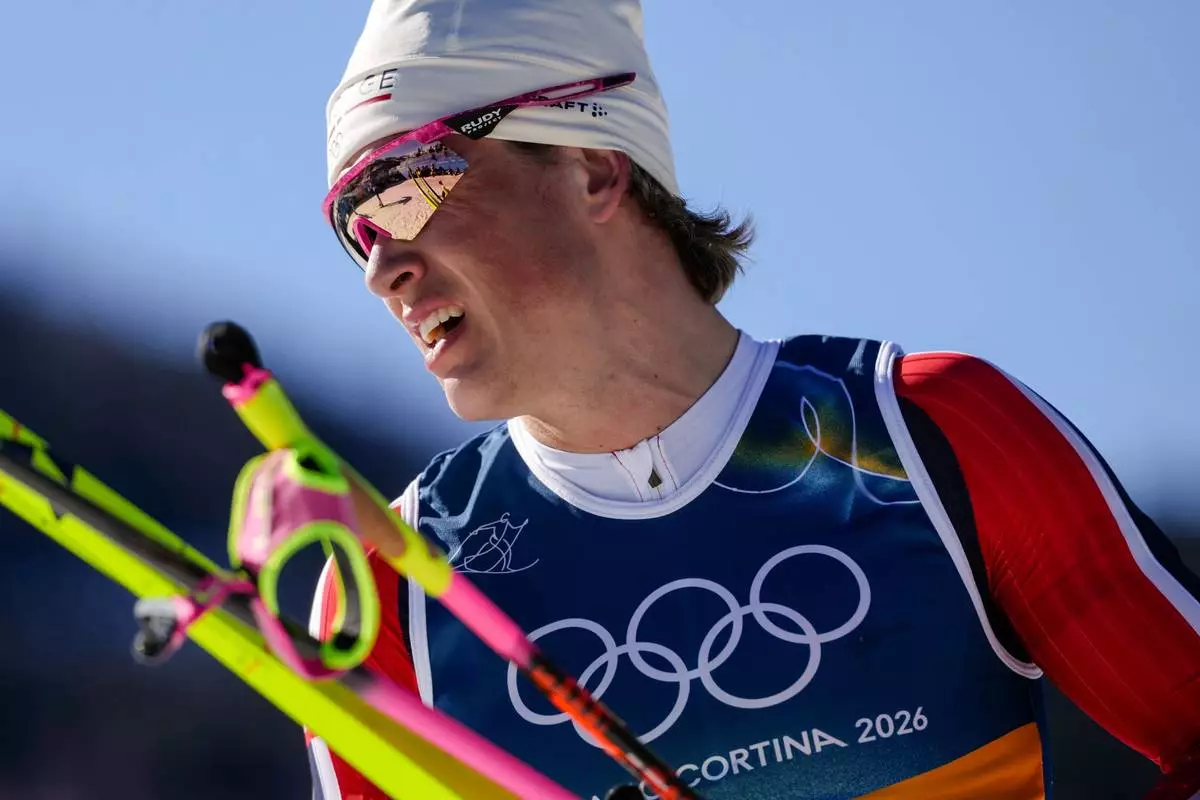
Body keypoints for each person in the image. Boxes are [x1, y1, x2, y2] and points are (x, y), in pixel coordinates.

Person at [300, 1, 1200, 798]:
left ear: (591, 169)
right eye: (356, 228)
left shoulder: (937, 435)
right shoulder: (390, 585)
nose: (381, 268)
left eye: (406, 189)